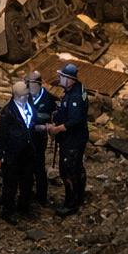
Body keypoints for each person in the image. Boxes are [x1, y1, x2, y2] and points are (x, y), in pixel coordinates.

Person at [45, 64, 88, 215]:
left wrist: (57, 129)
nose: (60, 79)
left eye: (62, 77)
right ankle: (80, 196)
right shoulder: (76, 89)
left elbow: (74, 120)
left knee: (68, 171)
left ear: (70, 80)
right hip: (77, 138)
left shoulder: (75, 97)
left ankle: (71, 204)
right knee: (77, 167)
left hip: (72, 140)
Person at [0, 81, 35, 221]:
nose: (26, 97)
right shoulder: (8, 113)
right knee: (10, 184)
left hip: (27, 152)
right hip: (12, 154)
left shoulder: (29, 106)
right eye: (23, 95)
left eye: (27, 95)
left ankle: (24, 207)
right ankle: (8, 211)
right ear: (16, 96)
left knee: (27, 181)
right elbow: (2, 137)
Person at [24, 70, 55, 207]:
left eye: (29, 83)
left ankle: (42, 196)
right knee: (26, 165)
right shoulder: (25, 96)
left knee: (39, 166)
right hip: (26, 137)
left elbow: (49, 117)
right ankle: (27, 193)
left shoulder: (47, 99)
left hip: (39, 137)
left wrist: (39, 125)